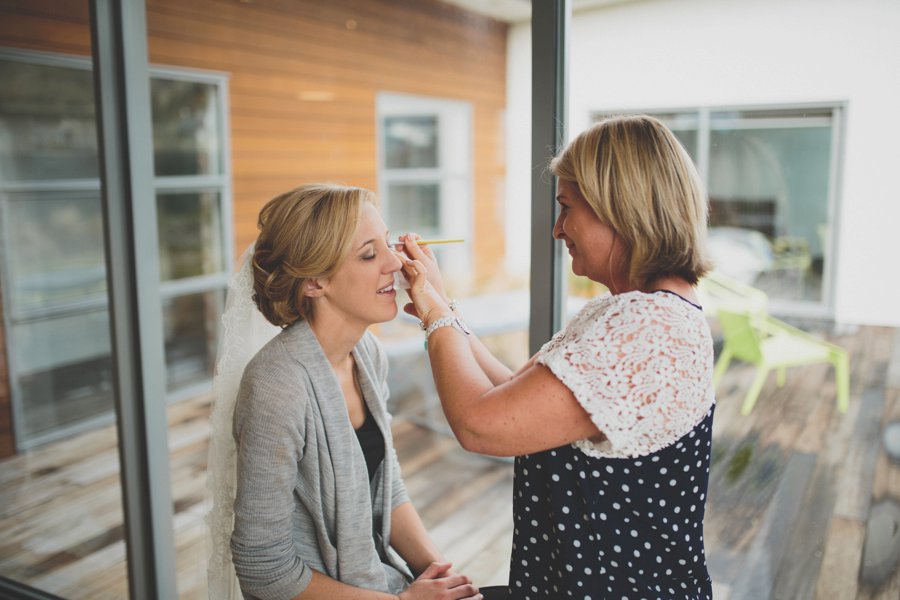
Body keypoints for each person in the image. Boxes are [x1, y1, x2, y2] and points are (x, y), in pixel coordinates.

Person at [397, 115, 716, 599]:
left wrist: (436, 315)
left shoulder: (645, 331)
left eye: (567, 208)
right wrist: (444, 308)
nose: (557, 228)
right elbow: (513, 395)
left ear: (621, 209)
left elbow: (481, 423)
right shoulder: (633, 313)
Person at [206, 183, 483, 600]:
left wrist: (441, 574)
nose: (395, 263)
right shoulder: (276, 386)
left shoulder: (367, 353)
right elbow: (264, 569)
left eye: (388, 244)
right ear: (315, 282)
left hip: (384, 583)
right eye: (369, 254)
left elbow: (385, 486)